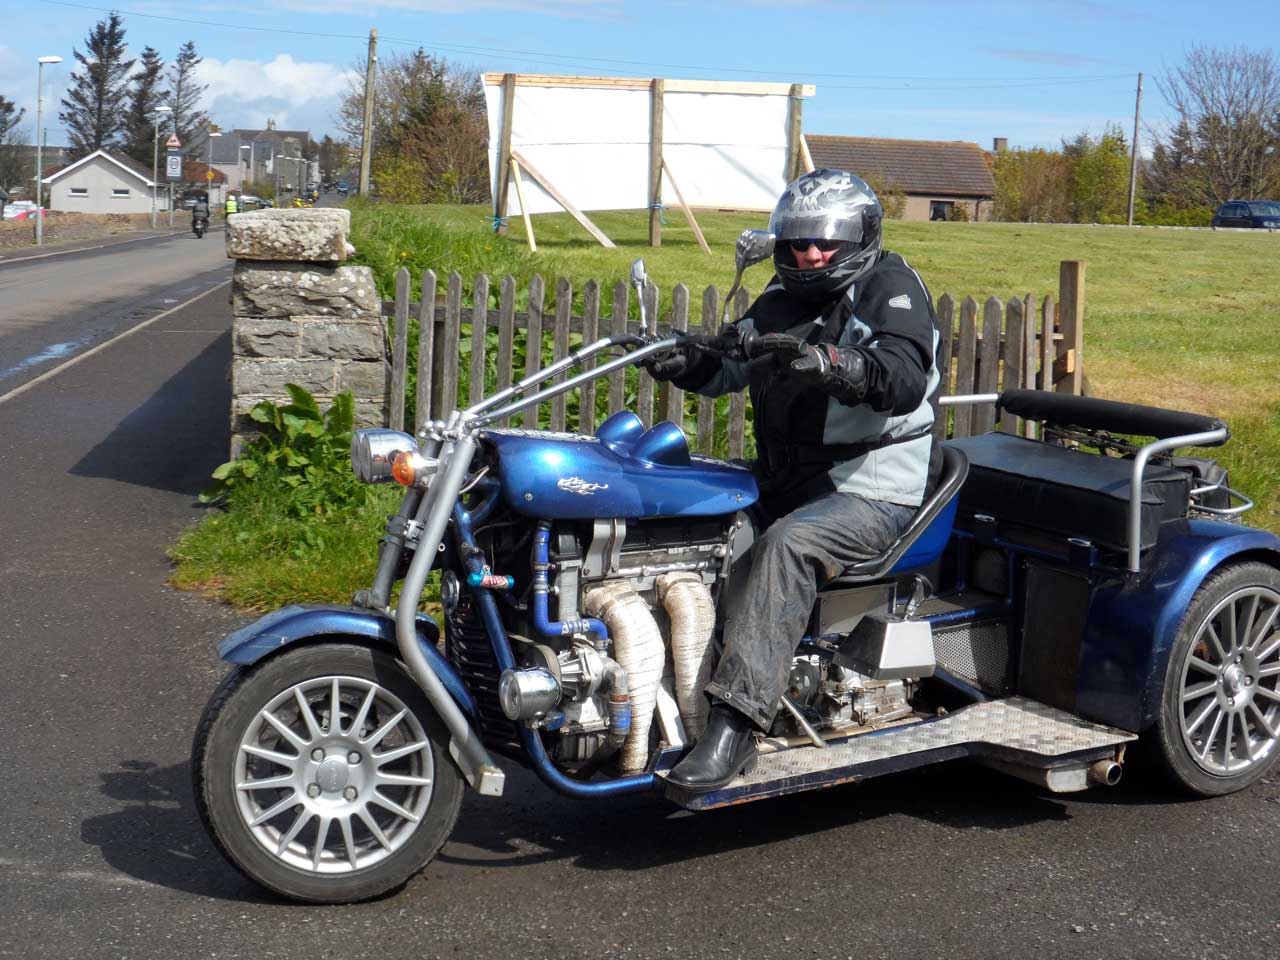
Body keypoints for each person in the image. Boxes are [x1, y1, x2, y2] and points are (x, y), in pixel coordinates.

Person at [647, 168, 941, 793]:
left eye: (827, 241)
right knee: (685, 517)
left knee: (787, 547)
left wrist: (833, 364)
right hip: (786, 479)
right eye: (799, 240)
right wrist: (685, 360)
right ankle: (664, 686)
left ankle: (736, 726)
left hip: (869, 488)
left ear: (859, 237)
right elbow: (731, 366)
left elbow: (903, 375)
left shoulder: (889, 286)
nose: (811, 252)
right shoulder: (781, 298)